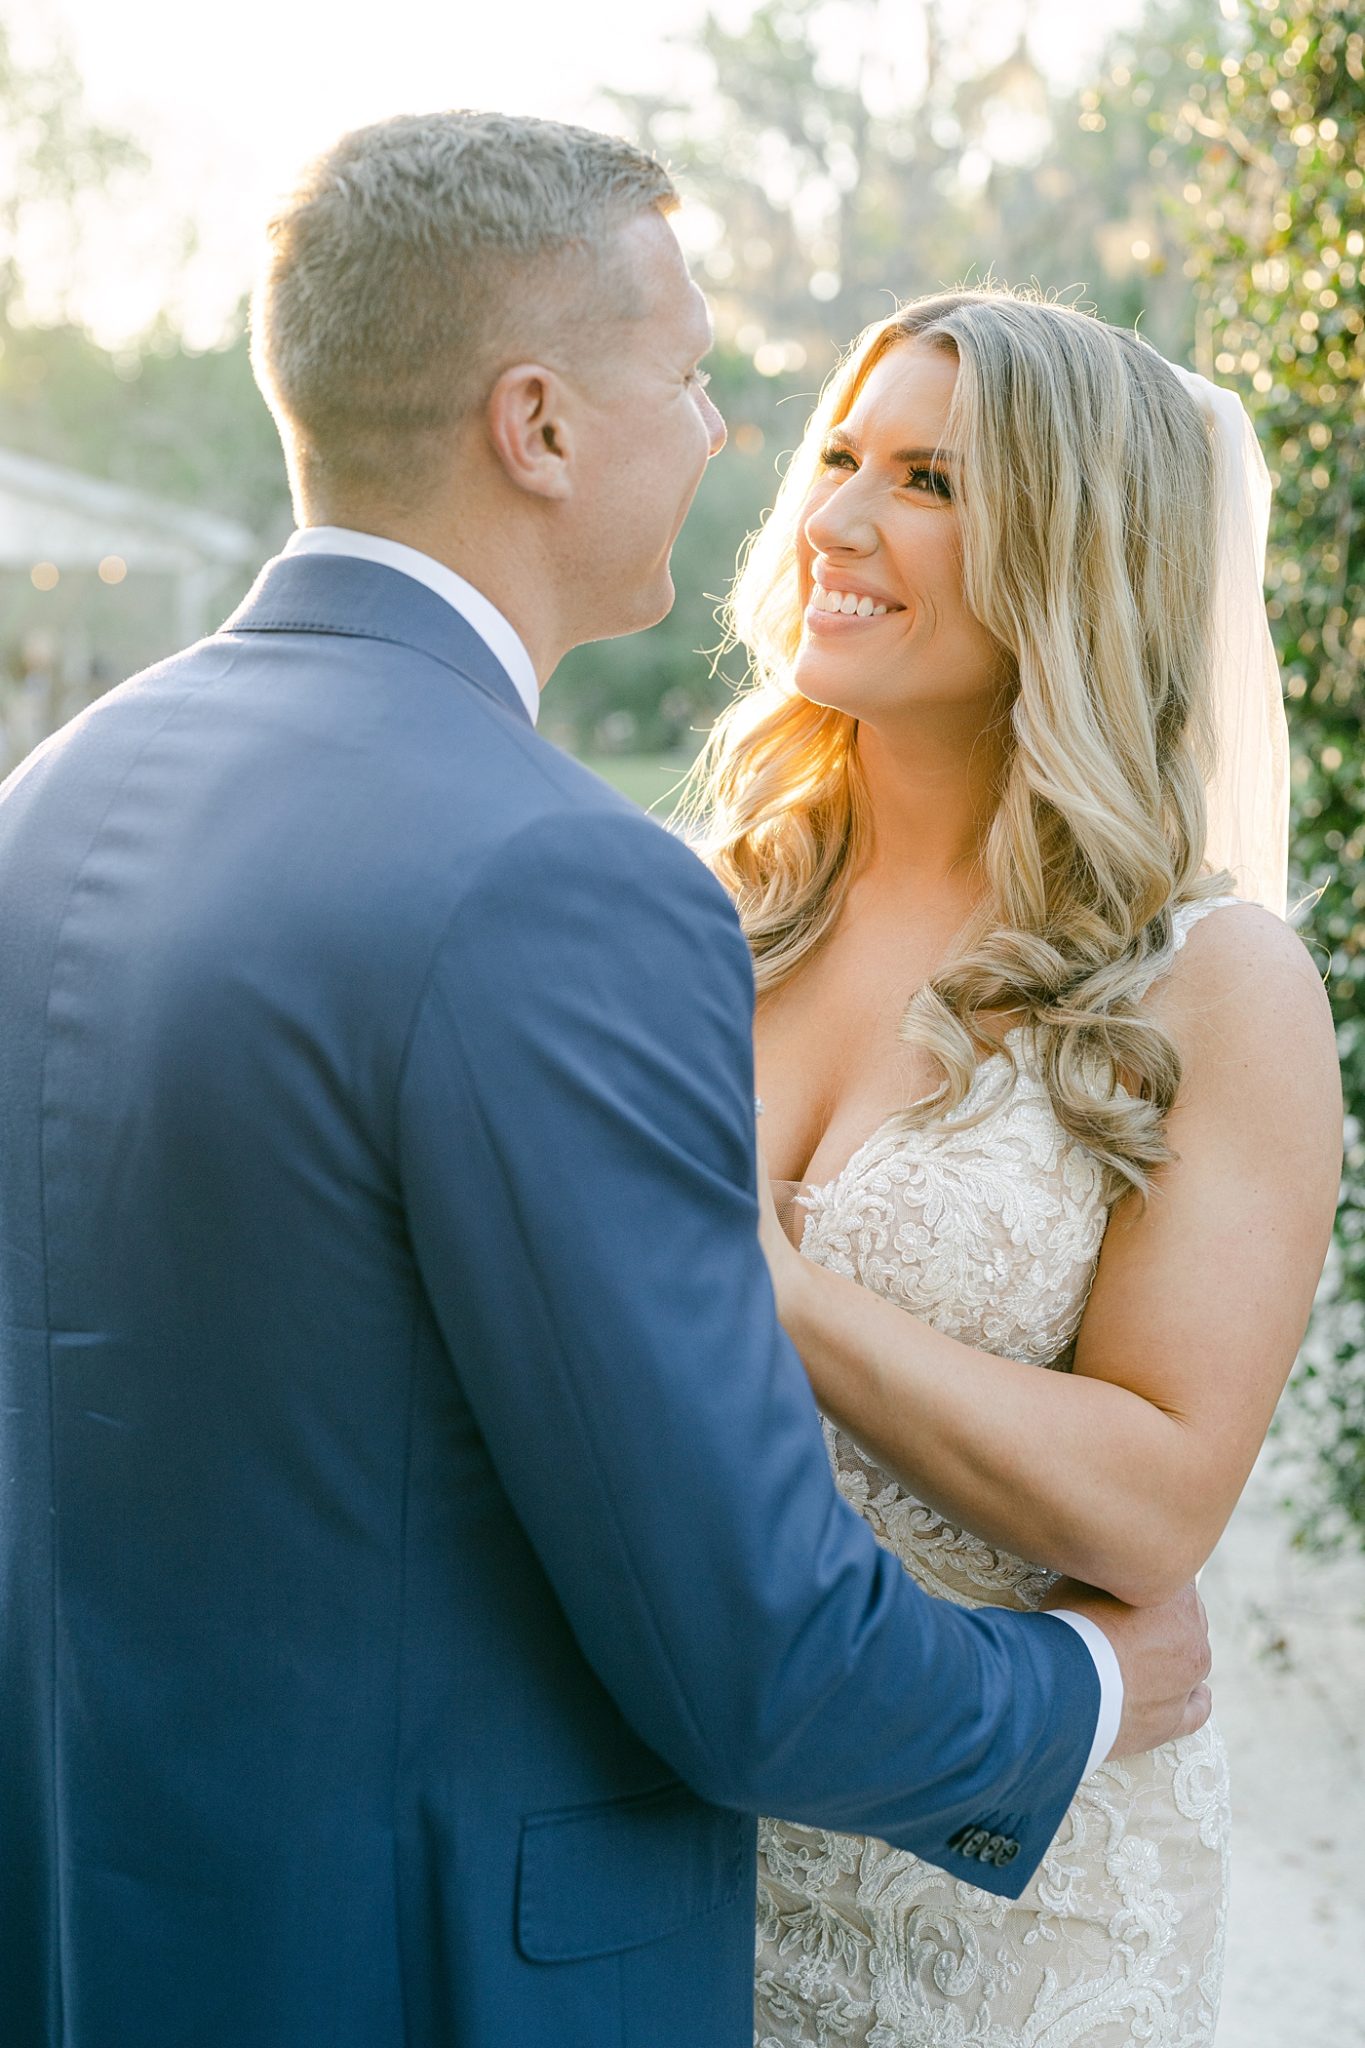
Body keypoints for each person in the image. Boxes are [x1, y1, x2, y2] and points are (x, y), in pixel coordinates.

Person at [0, 122, 1211, 2048]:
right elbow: (748, 1658)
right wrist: (1071, 1694)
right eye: (695, 377)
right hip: (440, 1964)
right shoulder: (568, 882)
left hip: (117, 1930)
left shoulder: (52, 803)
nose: (728, 436)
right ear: (540, 426)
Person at [682, 288, 1341, 2045]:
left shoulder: (1210, 984)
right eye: (836, 459)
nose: (831, 521)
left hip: (1008, 1909)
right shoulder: (708, 919)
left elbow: (1155, 1503)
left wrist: (774, 1297)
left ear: (1072, 552)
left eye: (925, 481)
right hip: (671, 1851)